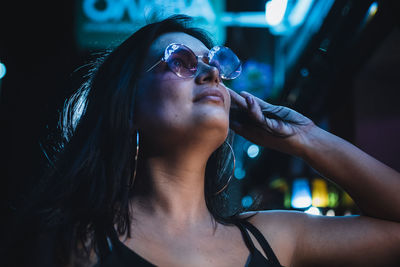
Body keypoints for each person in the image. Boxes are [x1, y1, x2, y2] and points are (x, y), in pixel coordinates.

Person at [7, 14, 399, 267]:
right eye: (180, 61)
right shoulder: (76, 244)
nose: (211, 74)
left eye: (214, 63)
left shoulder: (271, 239)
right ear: (125, 107)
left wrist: (307, 138)